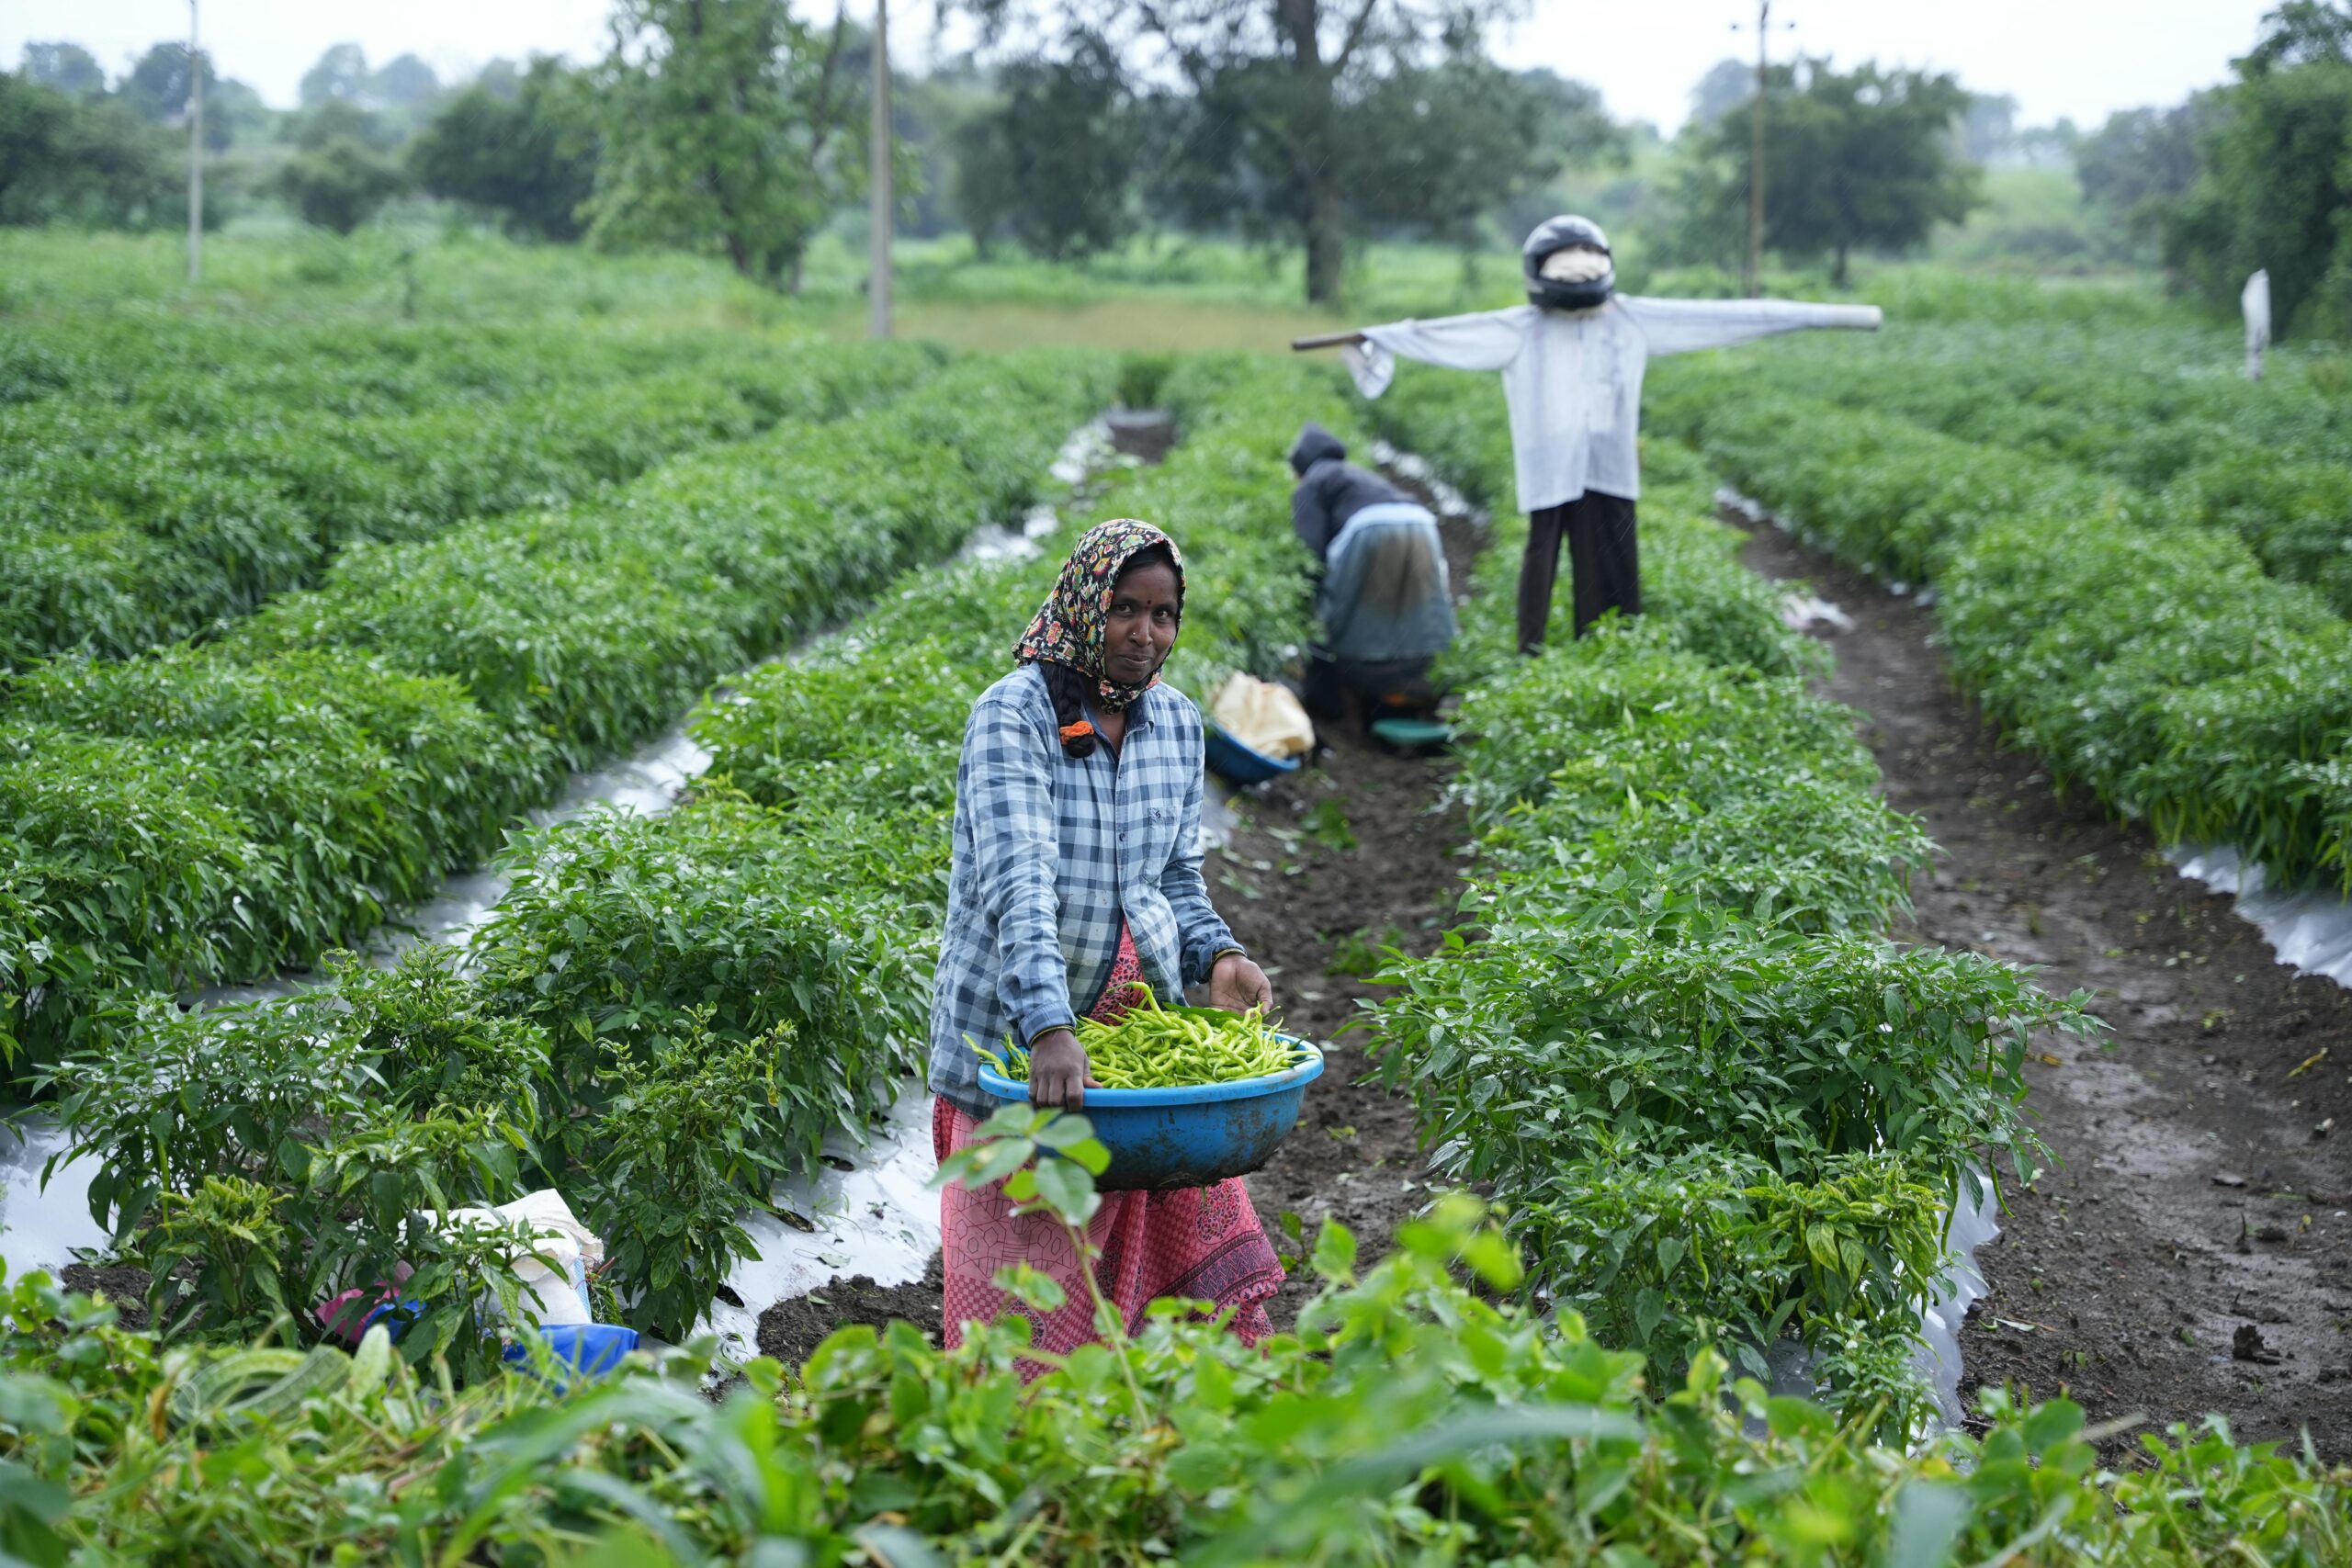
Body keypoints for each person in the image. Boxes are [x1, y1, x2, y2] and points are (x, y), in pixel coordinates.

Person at [928, 518, 1283, 1365]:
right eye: (1126, 608)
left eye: (1163, 615)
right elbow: (1020, 882)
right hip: (1015, 1046)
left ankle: (1156, 1436)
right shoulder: (1014, 717)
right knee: (1026, 1315)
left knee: (1177, 1288)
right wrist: (1049, 1028)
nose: (1144, 633)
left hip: (1129, 1034)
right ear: (1087, 602)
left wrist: (1219, 956)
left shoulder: (1176, 726)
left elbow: (1174, 879)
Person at [1311, 214, 1883, 652]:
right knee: (1543, 557)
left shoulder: (1631, 318)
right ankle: (1533, 653)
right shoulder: (1521, 328)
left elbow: (1729, 316)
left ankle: (1609, 646)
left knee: (1611, 558)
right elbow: (1443, 334)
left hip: (1608, 460)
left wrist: (1822, 314)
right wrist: (1380, 335)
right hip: (1549, 460)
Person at [1288, 422, 1456, 725]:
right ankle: (1425, 671)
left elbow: (1310, 547)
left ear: (1301, 466)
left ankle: (1363, 682)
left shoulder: (1312, 482)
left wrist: (1312, 603)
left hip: (1368, 531)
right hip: (1421, 524)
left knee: (1354, 610)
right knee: (1421, 604)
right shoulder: (1359, 475)